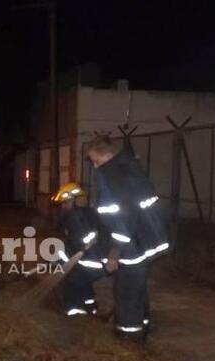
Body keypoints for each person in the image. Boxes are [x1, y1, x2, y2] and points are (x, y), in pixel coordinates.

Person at [87, 136, 169, 341]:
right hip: (145, 240)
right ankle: (143, 324)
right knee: (138, 286)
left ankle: (128, 335)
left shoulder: (111, 176)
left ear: (106, 155)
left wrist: (114, 253)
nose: (94, 166)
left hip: (129, 245)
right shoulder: (130, 168)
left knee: (126, 290)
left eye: (95, 160)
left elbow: (121, 220)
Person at [51, 182, 106, 316]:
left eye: (65, 203)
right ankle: (90, 306)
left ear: (74, 201)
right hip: (97, 260)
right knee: (82, 279)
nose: (63, 207)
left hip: (91, 261)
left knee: (71, 278)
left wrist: (59, 260)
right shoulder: (87, 214)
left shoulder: (75, 218)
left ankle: (73, 308)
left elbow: (73, 245)